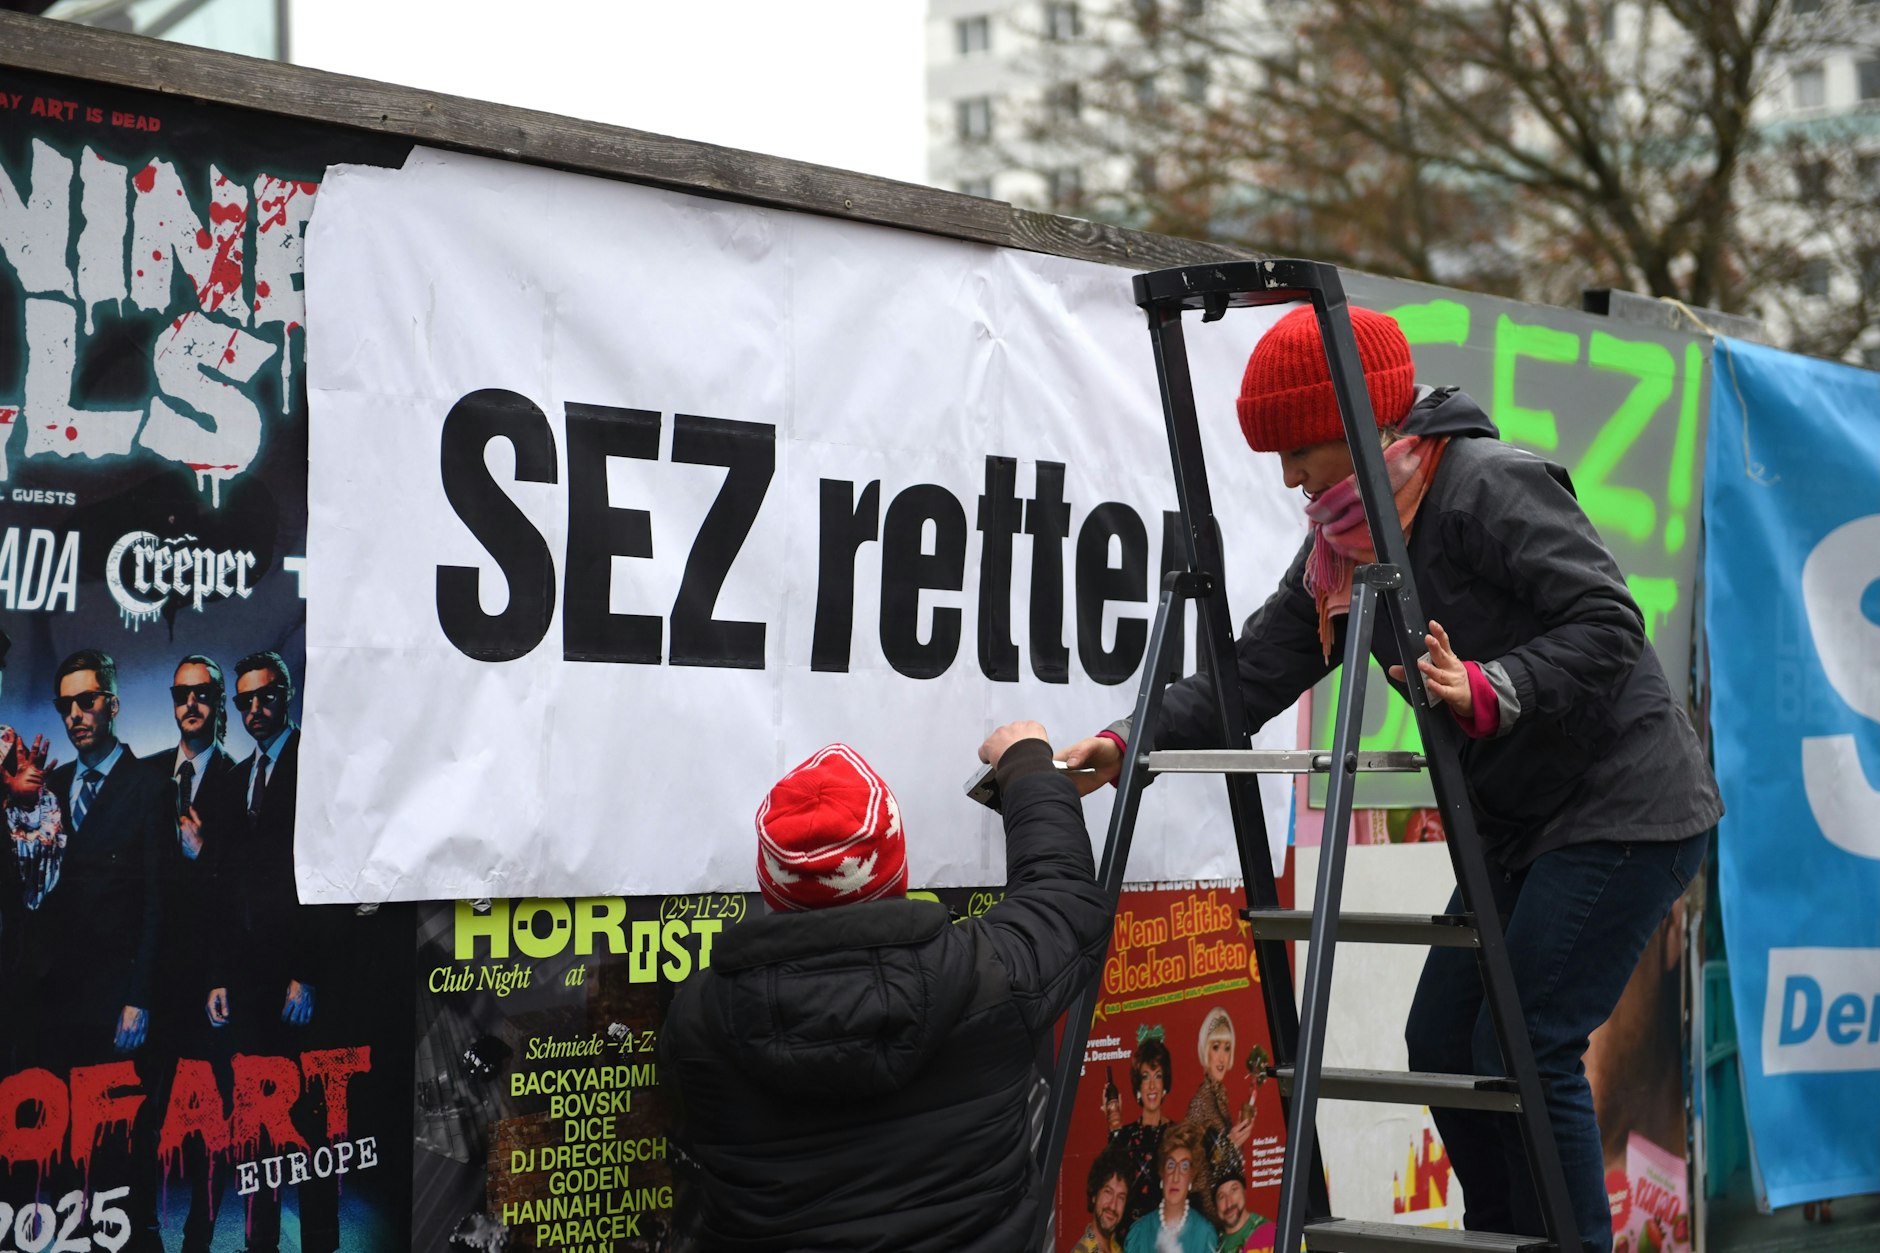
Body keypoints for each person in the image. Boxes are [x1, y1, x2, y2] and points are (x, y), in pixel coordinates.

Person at [1061, 305, 1721, 1252]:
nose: (1288, 477)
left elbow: (1611, 622)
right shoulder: (1348, 540)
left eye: (1298, 450)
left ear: (1356, 424)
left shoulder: (1486, 487)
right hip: (1519, 820)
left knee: (1526, 1041)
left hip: (1623, 803)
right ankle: (1503, 1236)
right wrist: (1128, 740)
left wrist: (1493, 684)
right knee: (1442, 1042)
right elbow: (1255, 669)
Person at [659, 724, 1111, 1251]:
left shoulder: (700, 1021)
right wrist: (1026, 763)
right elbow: (1063, 900)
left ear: (772, 885)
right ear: (895, 868)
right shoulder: (988, 978)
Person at [206, 649, 338, 1253]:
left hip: (297, 980)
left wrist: (308, 975)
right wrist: (219, 977)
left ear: (287, 695)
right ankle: (260, 1241)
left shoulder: (319, 764)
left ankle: (319, 1242)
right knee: (257, 1120)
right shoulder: (236, 779)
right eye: (245, 700)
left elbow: (330, 879)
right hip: (248, 982)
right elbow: (225, 888)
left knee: (311, 1121)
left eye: (266, 696)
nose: (255, 709)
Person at [1185, 1006, 1254, 1221]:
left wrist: (1237, 1140)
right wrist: (1230, 1142)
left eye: (1227, 1048)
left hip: (1224, 1213)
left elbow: (1227, 1164)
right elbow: (1191, 1170)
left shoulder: (1219, 1099)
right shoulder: (1201, 1102)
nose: (1222, 1058)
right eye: (1216, 1047)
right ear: (1205, 1050)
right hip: (1205, 1218)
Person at [1105, 1029, 1176, 1231]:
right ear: (1138, 1087)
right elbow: (1110, 1185)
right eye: (1145, 1077)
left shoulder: (1177, 1134)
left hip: (1167, 1235)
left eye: (1158, 1076)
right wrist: (1113, 1129)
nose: (1152, 1085)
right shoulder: (1123, 1135)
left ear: (1164, 1085)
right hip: (1129, 1234)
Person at [1121, 1122, 1216, 1253]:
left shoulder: (1204, 1234)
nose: (1175, 1177)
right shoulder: (1140, 1232)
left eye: (1184, 1167)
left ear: (1191, 1178)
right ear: (1162, 1173)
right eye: (1171, 1165)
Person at [1073, 1145, 1133, 1253]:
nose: (1113, 1206)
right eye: (1108, 1192)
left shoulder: (1118, 1249)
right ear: (1094, 1196)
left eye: (1121, 1197)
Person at [1211, 1170, 1275, 1253]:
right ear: (1215, 1205)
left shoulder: (1265, 1232)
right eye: (1221, 1197)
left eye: (1234, 1190)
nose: (1229, 1204)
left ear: (1244, 1192)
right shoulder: (1211, 1243)